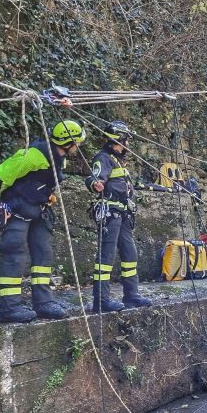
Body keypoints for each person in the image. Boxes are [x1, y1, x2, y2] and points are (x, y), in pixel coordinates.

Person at [0, 120, 86, 322]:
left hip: (39, 210)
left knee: (43, 253)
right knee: (14, 252)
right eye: (77, 143)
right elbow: (1, 175)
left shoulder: (58, 157)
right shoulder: (36, 154)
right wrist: (0, 199)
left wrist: (46, 196)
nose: (78, 147)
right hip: (17, 208)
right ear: (69, 143)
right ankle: (10, 308)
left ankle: (43, 302)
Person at [85, 120, 151, 313]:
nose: (127, 146)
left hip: (123, 213)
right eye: (125, 141)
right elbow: (93, 178)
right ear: (117, 141)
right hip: (111, 212)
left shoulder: (117, 161)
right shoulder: (103, 158)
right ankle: (101, 301)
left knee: (130, 254)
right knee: (106, 256)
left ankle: (131, 295)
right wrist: (95, 184)